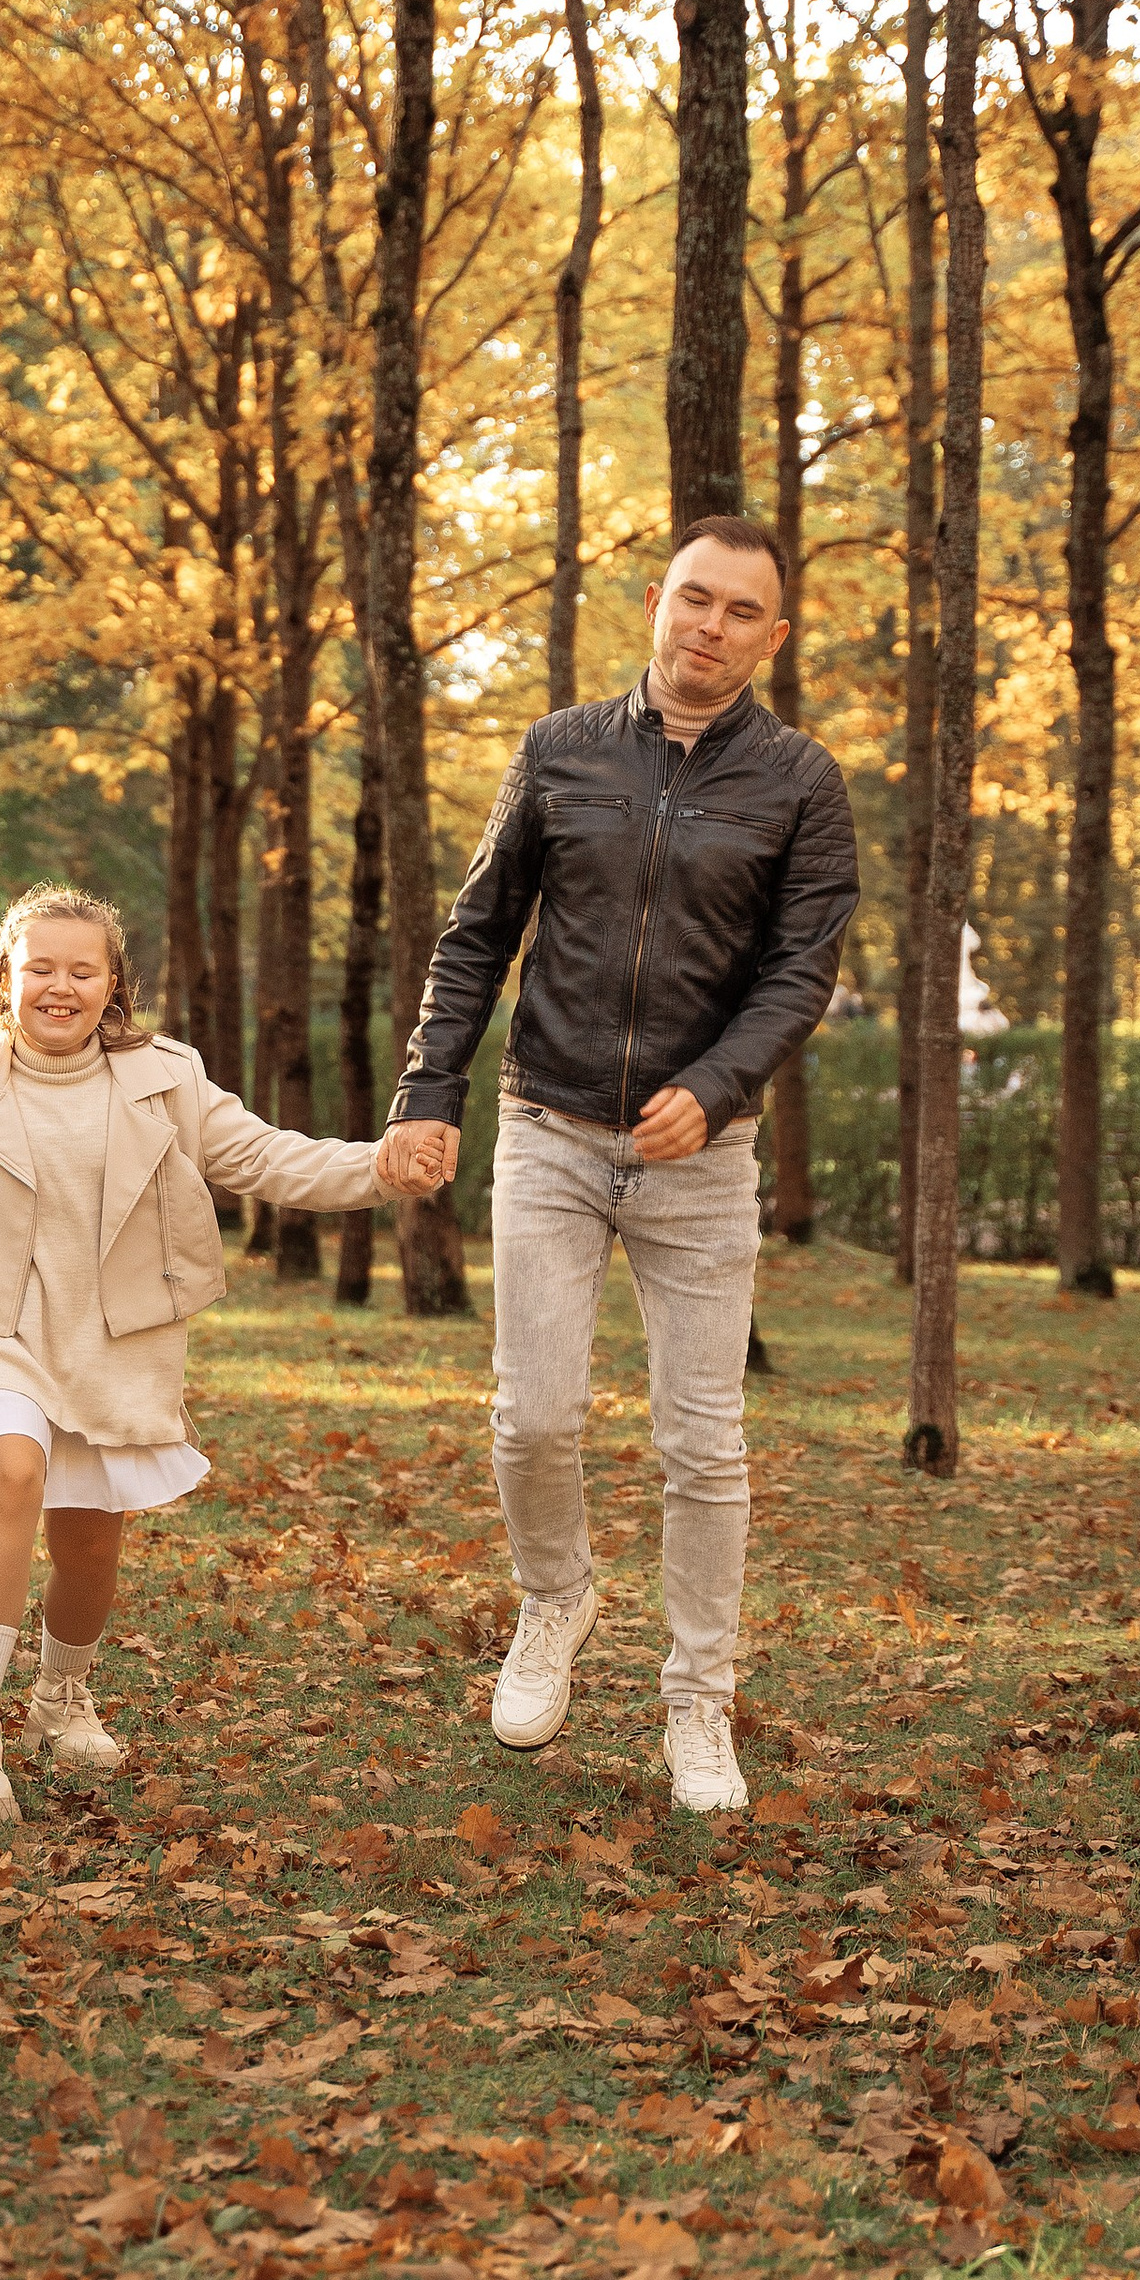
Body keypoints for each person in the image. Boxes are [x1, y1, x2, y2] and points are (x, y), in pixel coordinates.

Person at [0, 883, 444, 1823]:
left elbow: (265, 1158)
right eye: (39, 970)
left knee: (90, 1547)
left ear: (113, 986)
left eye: (82, 971)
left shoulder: (166, 1079)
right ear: (5, 981)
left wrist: (377, 1168)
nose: (59, 988)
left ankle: (63, 1693)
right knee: (11, 1474)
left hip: (113, 1338)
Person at [382, 517, 860, 1815]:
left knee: (702, 1448)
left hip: (704, 1162)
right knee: (531, 1417)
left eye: (739, 611)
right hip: (548, 1129)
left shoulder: (801, 783)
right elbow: (477, 934)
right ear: (656, 602)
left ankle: (699, 1706)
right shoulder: (560, 752)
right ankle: (556, 1601)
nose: (709, 626)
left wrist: (716, 1088)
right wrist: (430, 1093)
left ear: (772, 634)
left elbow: (799, 972)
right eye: (692, 599)